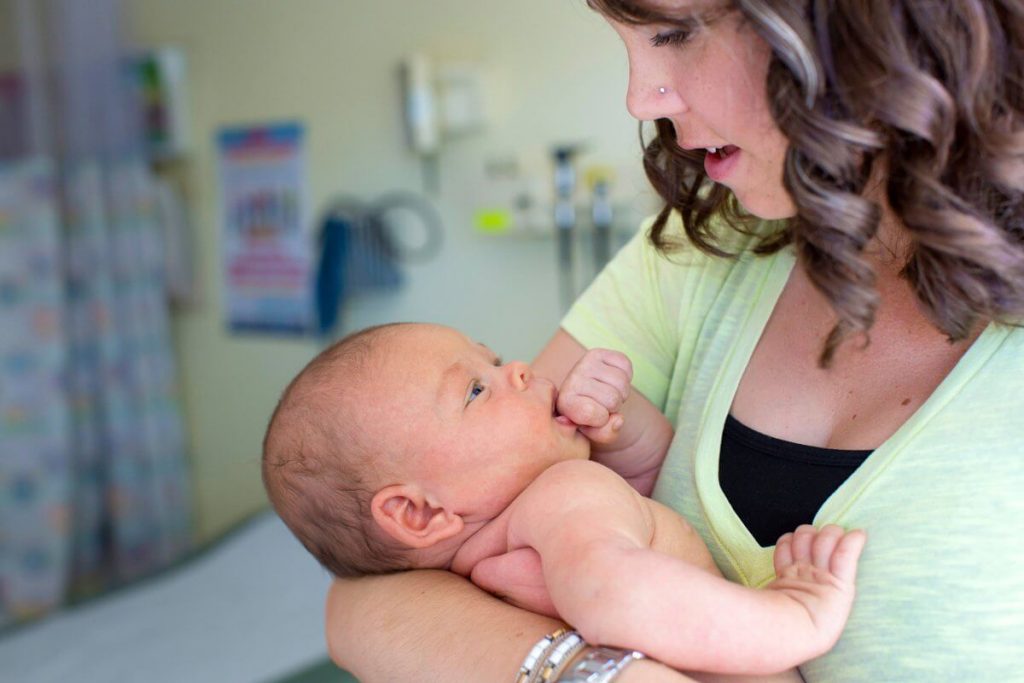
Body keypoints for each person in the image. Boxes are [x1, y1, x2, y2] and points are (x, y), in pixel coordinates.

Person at [324, 1, 1024, 681]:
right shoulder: (707, 248)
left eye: (677, 32)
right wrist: (601, 675)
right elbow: (374, 594)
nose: (640, 99)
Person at [262, 322, 866, 677]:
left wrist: (620, 429)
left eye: (493, 361)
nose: (520, 370)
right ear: (419, 513)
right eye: (476, 389)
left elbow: (647, 506)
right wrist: (796, 616)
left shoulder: (502, 550)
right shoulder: (563, 495)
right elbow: (615, 595)